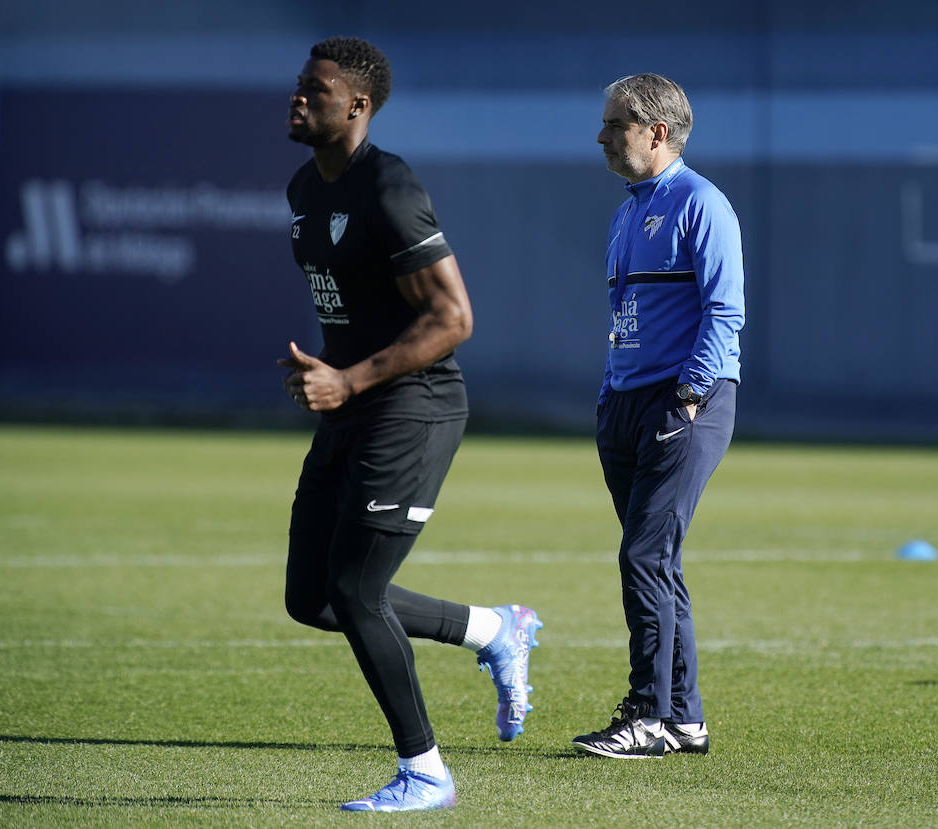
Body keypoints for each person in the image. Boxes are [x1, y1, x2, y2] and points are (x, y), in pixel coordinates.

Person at [278, 37, 542, 812]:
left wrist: (350, 377)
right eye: (298, 85)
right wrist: (328, 374)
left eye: (315, 89)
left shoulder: (389, 187)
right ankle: (496, 628)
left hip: (414, 408)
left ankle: (426, 771)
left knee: (358, 592)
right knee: (314, 598)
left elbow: (454, 317)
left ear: (356, 106)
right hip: (354, 406)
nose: (297, 98)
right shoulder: (304, 187)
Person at [571, 73, 744, 759]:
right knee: (658, 562)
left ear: (657, 132)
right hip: (628, 402)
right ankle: (684, 717)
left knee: (643, 554)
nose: (602, 136)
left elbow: (724, 310)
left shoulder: (702, 203)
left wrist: (690, 394)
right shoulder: (628, 210)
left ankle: (650, 711)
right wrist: (613, 395)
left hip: (682, 401)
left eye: (615, 125)